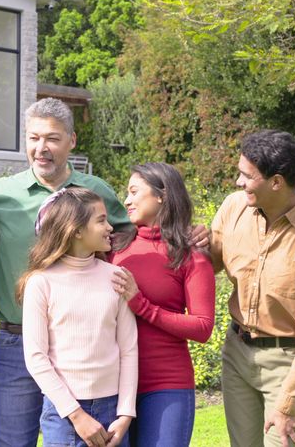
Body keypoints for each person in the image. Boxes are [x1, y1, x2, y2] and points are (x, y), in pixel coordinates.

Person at [0, 98, 132, 446]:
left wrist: (188, 235)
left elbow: (132, 234)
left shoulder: (96, 193)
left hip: (80, 346)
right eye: (33, 138)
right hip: (17, 341)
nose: (40, 148)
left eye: (51, 138)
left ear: (72, 141)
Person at [211, 130, 295, 447]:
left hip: (286, 364)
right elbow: (210, 262)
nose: (238, 182)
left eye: (246, 175)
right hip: (237, 353)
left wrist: (287, 402)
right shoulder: (233, 208)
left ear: (276, 182)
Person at [20, 187, 138, 447]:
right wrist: (76, 415)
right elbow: (36, 358)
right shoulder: (41, 283)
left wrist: (125, 413)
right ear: (76, 230)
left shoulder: (116, 277)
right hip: (64, 415)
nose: (109, 227)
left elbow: (128, 349)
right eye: (100, 220)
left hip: (112, 411)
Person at [110, 163, 215, 447]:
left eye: (134, 192)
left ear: (162, 196)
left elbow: (202, 327)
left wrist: (142, 305)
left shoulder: (191, 255)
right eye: (126, 193)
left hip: (166, 386)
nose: (127, 200)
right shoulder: (113, 248)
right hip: (112, 386)